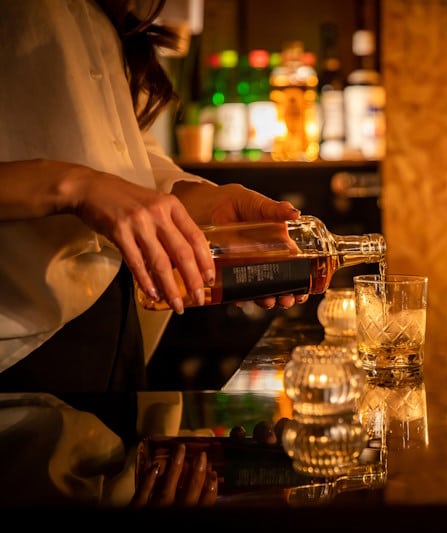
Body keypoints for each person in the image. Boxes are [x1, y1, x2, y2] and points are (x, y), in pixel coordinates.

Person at [0, 0, 308, 392]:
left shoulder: (102, 12)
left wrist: (198, 199)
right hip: (17, 333)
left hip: (112, 313)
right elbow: (88, 176)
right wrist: (73, 185)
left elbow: (126, 146)